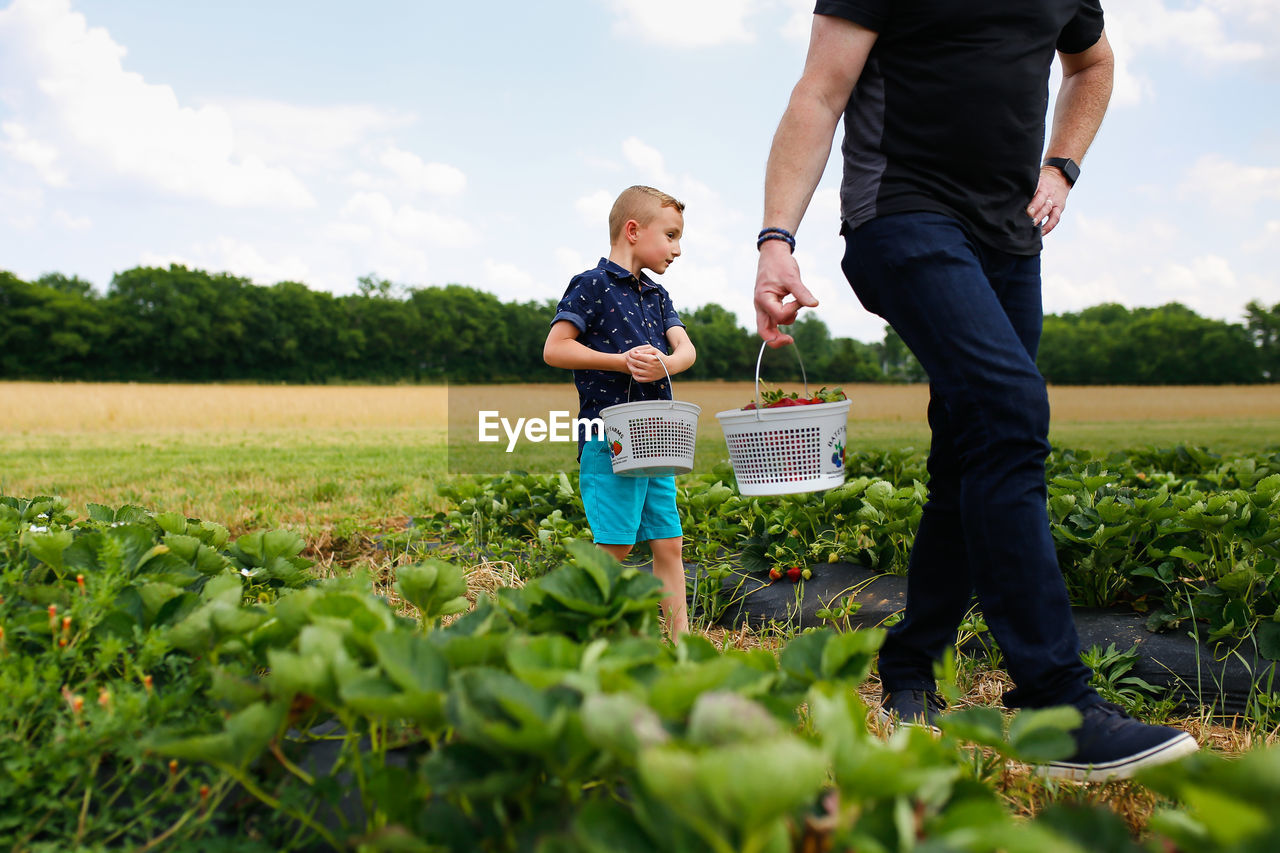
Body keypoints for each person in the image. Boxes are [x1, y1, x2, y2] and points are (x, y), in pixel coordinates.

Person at [753, 2, 1198, 780]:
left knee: (970, 448)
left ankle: (911, 662)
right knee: (1010, 411)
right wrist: (776, 239)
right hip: (902, 216)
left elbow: (1092, 64)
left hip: (1009, 236)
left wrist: (1063, 162)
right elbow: (819, 92)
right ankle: (1058, 706)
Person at [544, 185, 696, 639]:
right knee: (615, 545)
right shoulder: (591, 285)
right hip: (608, 436)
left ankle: (680, 645)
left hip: (657, 436)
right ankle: (564, 633)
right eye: (670, 235)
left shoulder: (657, 294)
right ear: (633, 230)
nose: (677, 248)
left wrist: (666, 364)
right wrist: (620, 361)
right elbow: (556, 349)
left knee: (669, 543)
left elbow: (686, 349)